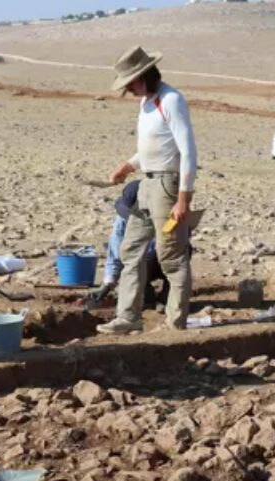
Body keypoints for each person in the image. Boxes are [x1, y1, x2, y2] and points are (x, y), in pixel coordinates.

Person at [97, 46, 197, 334]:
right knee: (130, 249)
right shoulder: (146, 103)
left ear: (143, 77)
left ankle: (175, 323)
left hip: (167, 186)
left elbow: (188, 152)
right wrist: (128, 166)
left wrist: (183, 199)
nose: (129, 90)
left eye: (130, 84)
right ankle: (128, 317)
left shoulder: (171, 100)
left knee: (171, 256)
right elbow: (153, 147)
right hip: (146, 184)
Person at [88, 179, 168, 308]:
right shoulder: (122, 220)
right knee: (130, 265)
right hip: (142, 261)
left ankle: (167, 298)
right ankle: (147, 297)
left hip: (163, 258)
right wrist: (108, 283)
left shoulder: (165, 211)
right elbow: (115, 250)